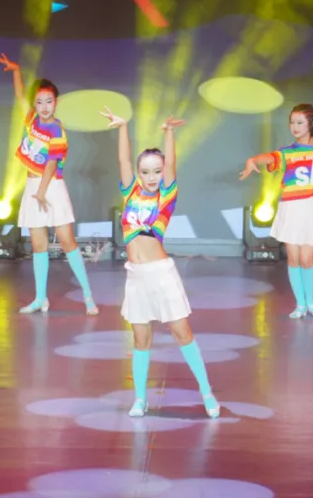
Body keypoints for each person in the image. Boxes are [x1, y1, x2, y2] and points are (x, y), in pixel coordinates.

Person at [100, 106, 220, 419]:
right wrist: (123, 127)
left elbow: (173, 164)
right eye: (146, 172)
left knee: (183, 334)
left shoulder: (166, 196)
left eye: (157, 171)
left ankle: (206, 392)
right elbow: (123, 162)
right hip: (135, 276)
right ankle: (140, 399)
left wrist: (169, 133)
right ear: (139, 174)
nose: (151, 177)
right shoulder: (130, 193)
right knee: (141, 339)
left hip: (162, 274)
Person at [0, 53, 96, 315]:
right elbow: (19, 96)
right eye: (39, 102)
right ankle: (41, 299)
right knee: (38, 246)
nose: (44, 106)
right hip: (33, 187)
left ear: (56, 102)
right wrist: (16, 71)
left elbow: (51, 163)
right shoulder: (31, 119)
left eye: (49, 101)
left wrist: (41, 192)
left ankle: (87, 296)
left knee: (67, 242)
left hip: (52, 188)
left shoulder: (57, 130)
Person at [239, 104, 313, 319]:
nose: (294, 127)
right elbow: (270, 158)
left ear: (310, 123)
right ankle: (300, 305)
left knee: (307, 259)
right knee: (293, 259)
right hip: (291, 208)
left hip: (312, 208)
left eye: (300, 122)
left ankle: (311, 303)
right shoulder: (287, 152)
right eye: (292, 122)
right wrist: (253, 160)